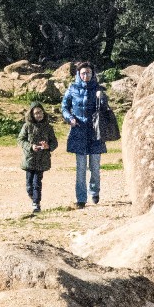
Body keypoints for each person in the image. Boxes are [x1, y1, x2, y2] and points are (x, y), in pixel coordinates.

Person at [60, 64, 110, 208]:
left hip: (95, 133)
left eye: (88, 73)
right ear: (78, 74)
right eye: (83, 73)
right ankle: (81, 199)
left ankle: (94, 192)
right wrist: (70, 118)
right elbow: (64, 107)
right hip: (79, 131)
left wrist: (102, 99)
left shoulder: (98, 89)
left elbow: (105, 109)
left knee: (95, 167)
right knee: (80, 168)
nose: (85, 76)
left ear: (93, 74)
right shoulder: (72, 89)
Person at [17, 100, 56, 214]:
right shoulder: (27, 126)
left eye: (41, 112)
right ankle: (33, 196)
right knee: (29, 184)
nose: (39, 115)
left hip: (42, 159)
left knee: (37, 182)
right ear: (32, 114)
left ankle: (36, 204)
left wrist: (48, 146)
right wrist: (30, 146)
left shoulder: (48, 128)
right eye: (36, 113)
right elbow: (20, 140)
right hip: (29, 159)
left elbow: (54, 142)